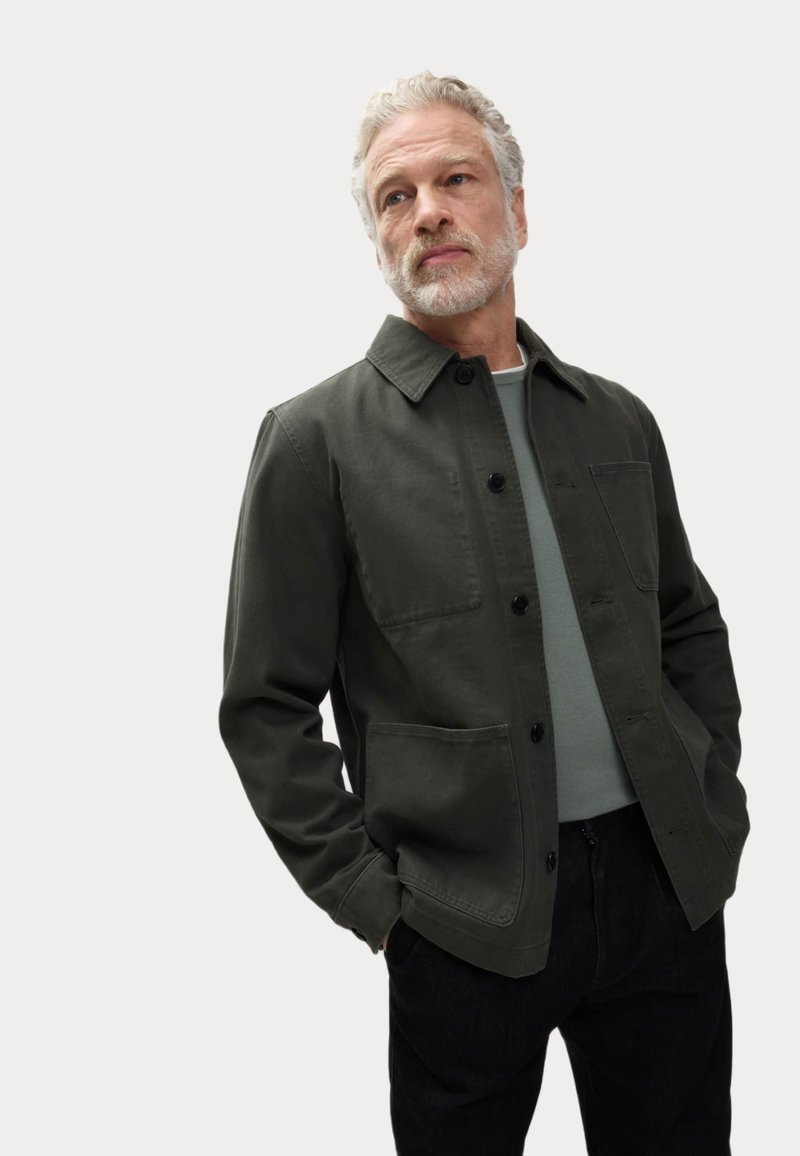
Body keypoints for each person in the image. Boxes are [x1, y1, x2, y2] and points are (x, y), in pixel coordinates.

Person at [218, 71, 749, 1155]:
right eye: (395, 196)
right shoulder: (314, 441)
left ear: (516, 207)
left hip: (665, 892)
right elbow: (265, 705)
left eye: (454, 180)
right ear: (377, 235)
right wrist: (376, 905)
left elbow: (687, 621)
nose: (427, 213)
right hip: (459, 920)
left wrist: (713, 805)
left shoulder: (615, 418)